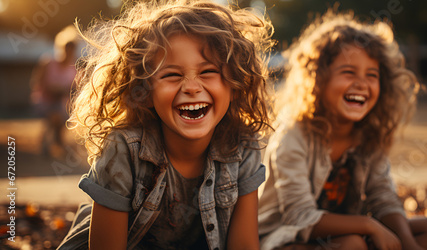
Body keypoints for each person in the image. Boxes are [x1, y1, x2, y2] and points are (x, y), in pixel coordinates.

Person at [58, 0, 274, 249]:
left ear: (235, 84)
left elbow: (244, 245)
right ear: (146, 92)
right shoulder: (123, 148)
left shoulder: (243, 145)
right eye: (172, 75)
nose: (192, 87)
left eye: (208, 72)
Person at [258, 9, 427, 250]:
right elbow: (299, 216)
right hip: (287, 238)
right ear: (318, 80)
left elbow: (383, 198)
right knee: (353, 245)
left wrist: (408, 244)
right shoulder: (293, 136)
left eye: (372, 75)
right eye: (348, 72)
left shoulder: (368, 134)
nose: (362, 83)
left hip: (351, 235)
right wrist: (368, 226)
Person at [30, 25, 79, 159]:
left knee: (62, 114)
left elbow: (74, 89)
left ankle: (52, 143)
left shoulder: (72, 68)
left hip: (61, 103)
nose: (68, 53)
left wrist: (62, 90)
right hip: (44, 101)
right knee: (56, 116)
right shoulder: (48, 63)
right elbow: (39, 84)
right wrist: (58, 90)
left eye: (71, 50)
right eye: (66, 49)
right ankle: (54, 143)